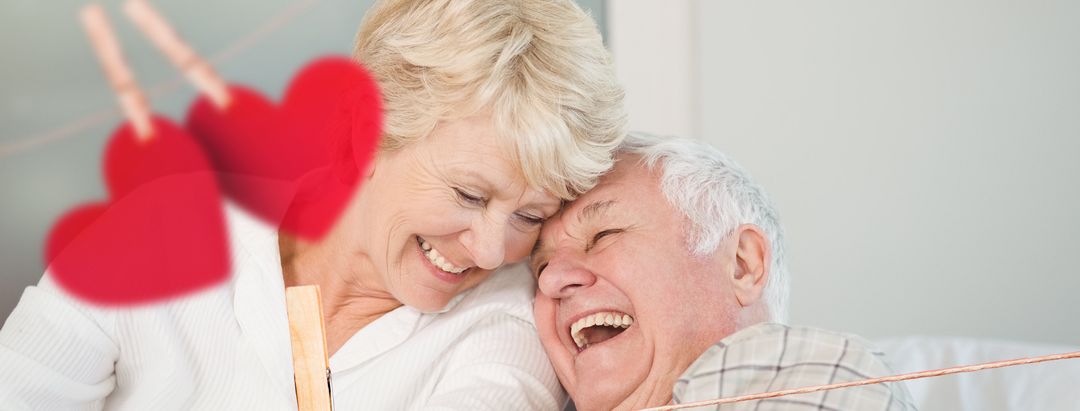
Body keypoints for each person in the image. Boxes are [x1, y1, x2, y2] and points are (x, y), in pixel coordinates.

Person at [0, 0, 625, 409]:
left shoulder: (507, 321)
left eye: (530, 216)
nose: (493, 250)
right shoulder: (159, 227)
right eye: (468, 194)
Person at [531, 132, 916, 410]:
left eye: (603, 234)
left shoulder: (829, 375)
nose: (550, 280)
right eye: (541, 266)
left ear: (742, 265)